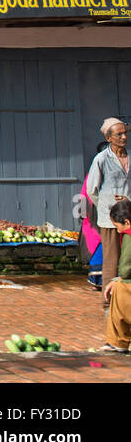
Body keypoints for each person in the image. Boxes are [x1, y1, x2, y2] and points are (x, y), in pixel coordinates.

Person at [88, 118, 131, 305]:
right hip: (110, 219)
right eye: (118, 134)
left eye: (125, 133)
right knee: (111, 260)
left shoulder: (130, 156)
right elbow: (92, 190)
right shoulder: (101, 159)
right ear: (108, 137)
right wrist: (108, 208)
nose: (123, 136)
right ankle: (109, 302)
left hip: (129, 217)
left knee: (128, 259)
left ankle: (126, 298)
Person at [99, 199, 131, 353]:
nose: (118, 231)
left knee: (119, 290)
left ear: (127, 223)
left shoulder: (129, 236)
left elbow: (125, 270)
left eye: (118, 226)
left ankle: (118, 340)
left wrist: (118, 280)